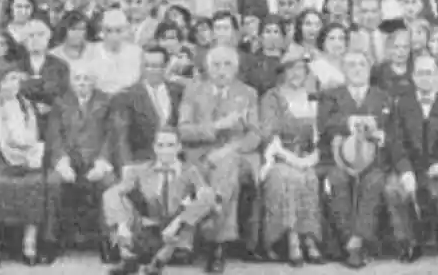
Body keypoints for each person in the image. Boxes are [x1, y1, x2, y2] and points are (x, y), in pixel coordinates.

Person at [177, 44, 262, 271]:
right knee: (225, 176)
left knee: (228, 166)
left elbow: (255, 136)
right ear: (207, 68)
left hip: (236, 156)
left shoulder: (248, 93)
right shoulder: (193, 91)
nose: (221, 70)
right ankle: (218, 244)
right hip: (200, 156)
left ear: (235, 69)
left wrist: (229, 150)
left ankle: (206, 240)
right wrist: (216, 126)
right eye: (216, 65)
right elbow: (184, 131)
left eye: (227, 65)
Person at [0, 66, 62, 267]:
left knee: (34, 183)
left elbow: (42, 135)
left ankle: (29, 245)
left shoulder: (28, 106)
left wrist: (34, 153)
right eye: (8, 80)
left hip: (27, 158)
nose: (13, 84)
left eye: (16, 80)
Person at [384, 53, 438, 268]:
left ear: (437, 76)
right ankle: (408, 243)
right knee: (393, 188)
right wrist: (405, 170)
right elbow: (395, 141)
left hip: (436, 169)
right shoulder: (402, 104)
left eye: (429, 73)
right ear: (413, 77)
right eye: (420, 73)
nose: (425, 78)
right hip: (410, 166)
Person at [102, 127, 219, 275]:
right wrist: (121, 225)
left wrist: (179, 222)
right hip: (146, 230)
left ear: (179, 147)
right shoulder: (139, 171)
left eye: (170, 145)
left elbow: (207, 197)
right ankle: (128, 259)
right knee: (114, 196)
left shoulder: (191, 172)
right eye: (161, 146)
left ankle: (158, 263)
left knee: (207, 197)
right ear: (154, 148)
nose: (165, 151)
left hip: (176, 233)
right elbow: (112, 194)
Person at [317, 50, 393, 269]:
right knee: (337, 180)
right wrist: (351, 122)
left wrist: (379, 133)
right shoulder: (331, 95)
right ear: (343, 70)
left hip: (374, 160)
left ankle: (357, 241)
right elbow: (325, 124)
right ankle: (348, 240)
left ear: (369, 69)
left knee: (374, 182)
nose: (357, 69)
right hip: (338, 159)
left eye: (362, 64)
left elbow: (392, 129)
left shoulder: (382, 96)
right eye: (351, 65)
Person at [257, 45, 323, 265]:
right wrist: (292, 160)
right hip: (278, 156)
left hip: (306, 156)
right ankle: (291, 239)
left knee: (310, 178)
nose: (296, 74)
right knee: (288, 177)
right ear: (283, 72)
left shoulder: (312, 96)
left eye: (301, 69)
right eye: (291, 69)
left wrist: (310, 158)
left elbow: (318, 134)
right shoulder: (272, 97)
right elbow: (270, 135)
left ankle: (309, 239)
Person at [48, 68, 117, 261]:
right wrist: (62, 162)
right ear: (71, 82)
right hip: (68, 161)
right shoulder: (61, 101)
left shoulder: (106, 101)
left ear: (94, 82)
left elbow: (112, 135)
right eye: (77, 78)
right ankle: (50, 242)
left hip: (96, 160)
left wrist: (102, 163)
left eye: (87, 78)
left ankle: (109, 242)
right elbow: (54, 136)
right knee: (53, 183)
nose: (82, 82)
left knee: (109, 184)